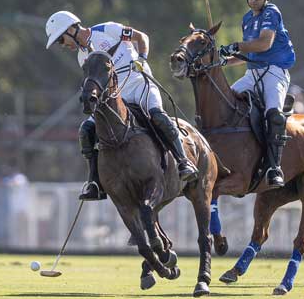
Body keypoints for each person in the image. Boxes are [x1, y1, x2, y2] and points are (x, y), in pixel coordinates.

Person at [45, 11, 198, 201]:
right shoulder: (82, 57)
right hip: (117, 97)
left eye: (60, 40)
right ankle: (94, 182)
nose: (62, 45)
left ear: (71, 29)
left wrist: (142, 58)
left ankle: (183, 162)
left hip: (139, 83)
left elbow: (142, 37)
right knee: (86, 130)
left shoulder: (106, 30)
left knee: (157, 114)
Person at [218, 0, 296, 188]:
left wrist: (236, 45)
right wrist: (223, 61)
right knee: (223, 102)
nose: (253, 0)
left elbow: (264, 44)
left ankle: (274, 167)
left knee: (274, 115)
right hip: (252, 74)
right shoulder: (246, 19)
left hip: (274, 73)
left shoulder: (272, 12)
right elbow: (248, 55)